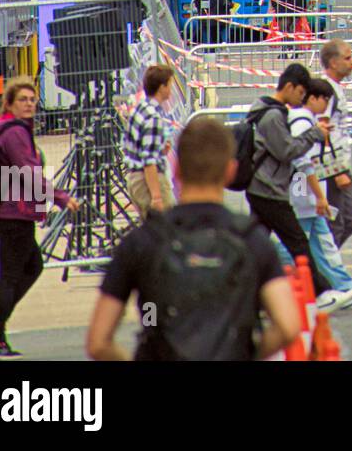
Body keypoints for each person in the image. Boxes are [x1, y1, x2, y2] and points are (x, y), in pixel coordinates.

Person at [85, 116, 301, 361]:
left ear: (177, 169)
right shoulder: (252, 239)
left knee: (151, 317)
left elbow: (98, 343)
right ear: (230, 171)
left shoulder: (144, 240)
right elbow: (288, 325)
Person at [0, 79, 79, 360]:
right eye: (22, 99)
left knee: (32, 266)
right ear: (9, 104)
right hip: (12, 213)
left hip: (6, 212)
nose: (29, 103)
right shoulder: (15, 132)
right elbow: (28, 172)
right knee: (11, 275)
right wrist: (60, 197)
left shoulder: (7, 129)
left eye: (33, 99)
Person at [244, 63, 352, 313]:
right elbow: (288, 151)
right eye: (300, 93)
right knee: (297, 243)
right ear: (290, 86)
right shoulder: (272, 115)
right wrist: (314, 134)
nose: (301, 100)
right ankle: (321, 292)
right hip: (269, 189)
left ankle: (244, 290)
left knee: (256, 243)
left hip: (265, 187)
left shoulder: (267, 109)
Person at [281, 78, 352, 308]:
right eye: (324, 101)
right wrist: (316, 197)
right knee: (293, 246)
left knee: (323, 245)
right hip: (304, 193)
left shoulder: (308, 121)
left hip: (309, 194)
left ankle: (345, 286)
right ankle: (275, 285)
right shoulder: (303, 123)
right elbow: (303, 163)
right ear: (313, 98)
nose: (326, 107)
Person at [122, 64, 176, 219]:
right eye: (170, 85)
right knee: (165, 231)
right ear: (162, 87)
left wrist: (160, 150)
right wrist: (157, 196)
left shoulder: (139, 109)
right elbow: (148, 161)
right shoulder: (153, 117)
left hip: (135, 179)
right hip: (148, 181)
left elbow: (134, 146)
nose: (171, 90)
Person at [319, 39, 352, 249]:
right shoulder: (325, 91)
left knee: (348, 221)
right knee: (340, 223)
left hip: (339, 164)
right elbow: (321, 132)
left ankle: (325, 268)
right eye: (347, 58)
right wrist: (336, 172)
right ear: (333, 62)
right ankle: (322, 270)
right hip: (331, 169)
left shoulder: (335, 88)